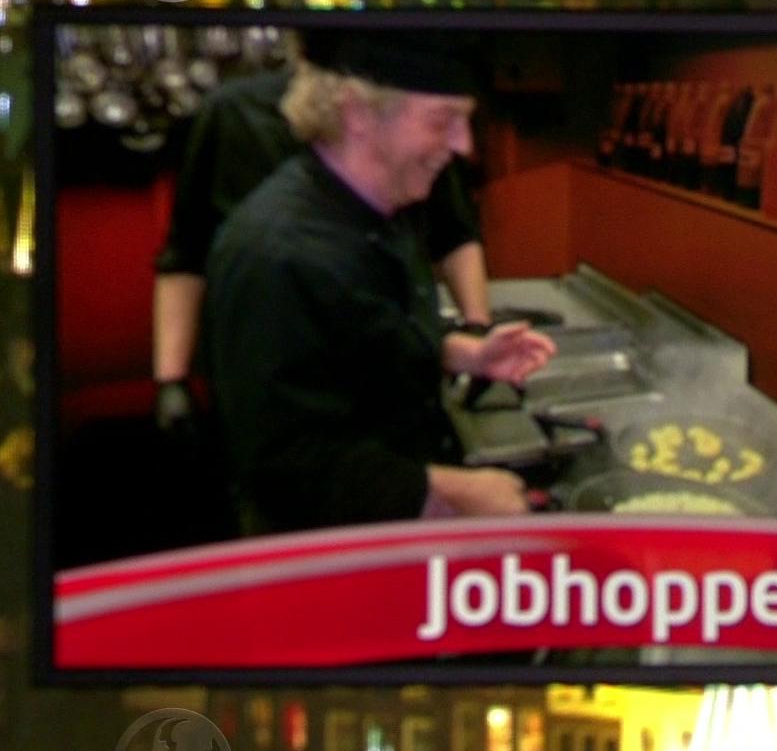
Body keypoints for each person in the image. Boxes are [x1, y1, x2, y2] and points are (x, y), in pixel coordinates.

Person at [203, 33, 555, 531]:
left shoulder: (385, 207)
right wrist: (448, 490)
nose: (464, 146)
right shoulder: (275, 254)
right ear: (358, 113)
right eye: (442, 120)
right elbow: (284, 466)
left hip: (392, 510)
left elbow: (360, 342)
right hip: (328, 551)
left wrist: (464, 353)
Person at [151, 40, 492, 434]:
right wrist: (171, 380)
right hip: (271, 367)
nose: (460, 143)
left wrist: (475, 332)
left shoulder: (412, 118)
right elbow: (186, 253)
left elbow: (453, 233)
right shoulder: (232, 117)